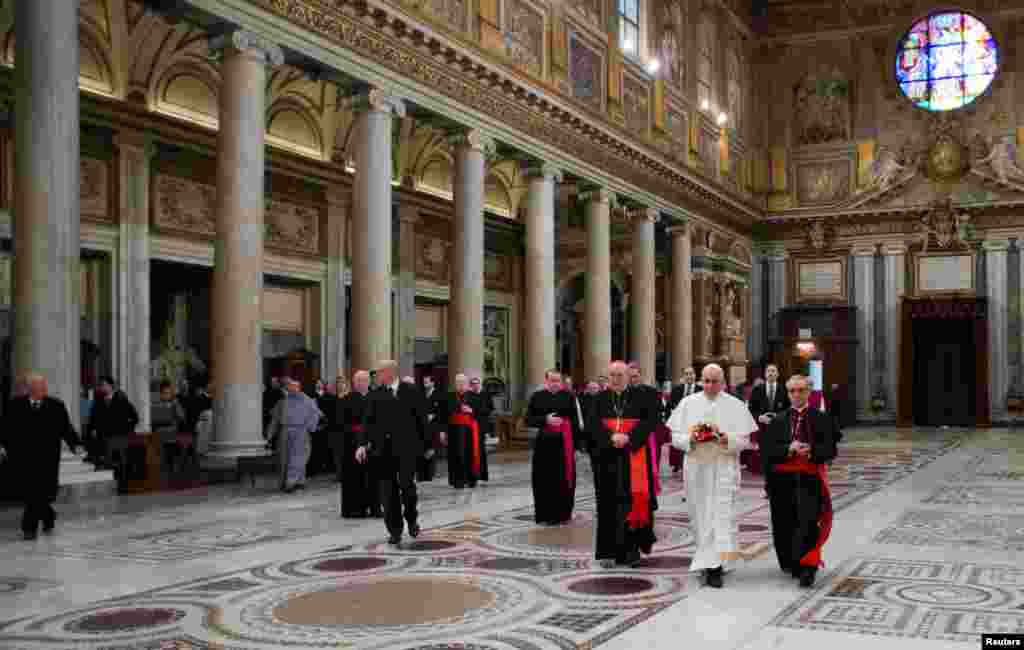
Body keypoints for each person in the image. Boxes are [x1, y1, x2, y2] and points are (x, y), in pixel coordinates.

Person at [668, 363, 757, 589]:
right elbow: (675, 438)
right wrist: (692, 439)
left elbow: (745, 441)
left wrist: (726, 439)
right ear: (700, 380)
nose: (709, 385)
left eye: (714, 381)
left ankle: (715, 566)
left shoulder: (736, 405)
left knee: (721, 516)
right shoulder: (688, 403)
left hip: (723, 468)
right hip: (697, 469)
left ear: (723, 381)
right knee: (700, 516)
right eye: (705, 380)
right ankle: (706, 560)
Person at [761, 375, 838, 587]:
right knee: (784, 521)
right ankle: (791, 562)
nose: (797, 394)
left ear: (808, 392)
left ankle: (808, 566)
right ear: (788, 393)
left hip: (809, 478)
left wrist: (812, 451)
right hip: (781, 480)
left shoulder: (821, 418)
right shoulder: (778, 420)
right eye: (792, 390)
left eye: (801, 390)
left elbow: (831, 449)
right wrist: (788, 449)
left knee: (808, 521)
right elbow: (767, 452)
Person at [585, 361, 660, 568]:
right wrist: (610, 438)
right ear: (607, 377)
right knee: (607, 503)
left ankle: (631, 551)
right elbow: (591, 424)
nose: (616, 379)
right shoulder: (598, 399)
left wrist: (629, 437)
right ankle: (607, 551)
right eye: (612, 375)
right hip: (606, 457)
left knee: (633, 500)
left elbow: (651, 421)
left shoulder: (642, 397)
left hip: (633, 454)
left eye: (620, 375)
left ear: (628, 376)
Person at [0, 374, 84, 540]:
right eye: (38, 387)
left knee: (39, 492)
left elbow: (66, 428)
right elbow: (5, 427)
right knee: (32, 492)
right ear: (29, 389)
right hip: (23, 457)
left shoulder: (56, 406)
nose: (42, 390)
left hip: (47, 457)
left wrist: (76, 445)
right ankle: (48, 515)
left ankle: (28, 528)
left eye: (44, 387)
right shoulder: (15, 405)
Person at [355, 360, 430, 546]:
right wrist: (362, 444)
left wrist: (428, 446)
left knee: (407, 487)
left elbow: (422, 420)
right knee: (387, 493)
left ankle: (411, 519)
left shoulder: (411, 391)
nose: (376, 376)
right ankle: (394, 530)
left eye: (379, 372)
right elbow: (367, 422)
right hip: (383, 451)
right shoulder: (375, 394)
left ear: (390, 372)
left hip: (407, 449)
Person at [526, 370, 583, 525]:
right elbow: (528, 419)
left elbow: (576, 424)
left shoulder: (569, 396)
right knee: (543, 479)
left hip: (565, 443)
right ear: (546, 381)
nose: (555, 383)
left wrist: (577, 448)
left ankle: (563, 514)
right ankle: (545, 514)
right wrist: (545, 420)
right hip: (544, 444)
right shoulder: (537, 396)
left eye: (558, 381)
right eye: (552, 380)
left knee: (564, 479)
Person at [264, 377, 323, 493]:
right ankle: (290, 482)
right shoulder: (282, 402)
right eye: (290, 386)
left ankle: (292, 482)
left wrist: (310, 427)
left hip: (301, 432)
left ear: (299, 387)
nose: (292, 388)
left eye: (295, 386)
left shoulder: (307, 400)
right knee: (284, 459)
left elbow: (316, 414)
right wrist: (269, 435)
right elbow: (275, 420)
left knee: (298, 458)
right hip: (285, 432)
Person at [335, 371, 380, 517]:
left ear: (369, 381)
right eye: (358, 380)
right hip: (352, 444)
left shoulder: (377, 398)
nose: (361, 383)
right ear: (354, 383)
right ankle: (355, 509)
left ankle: (375, 508)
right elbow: (341, 423)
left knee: (375, 477)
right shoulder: (346, 399)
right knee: (354, 479)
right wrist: (357, 437)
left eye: (364, 380)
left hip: (373, 443)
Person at [85, 375, 140, 475]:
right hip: (103, 439)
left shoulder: (121, 399)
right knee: (106, 468)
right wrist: (91, 432)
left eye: (104, 385)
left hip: (119, 438)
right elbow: (92, 420)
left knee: (120, 465)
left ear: (111, 386)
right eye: (100, 385)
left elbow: (135, 417)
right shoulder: (98, 401)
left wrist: (127, 430)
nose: (102, 387)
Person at [748, 364, 790, 495]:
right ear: (765, 374)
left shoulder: (784, 389)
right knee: (766, 460)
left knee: (779, 459)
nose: (771, 373)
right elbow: (751, 409)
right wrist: (760, 417)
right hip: (764, 431)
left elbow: (789, 409)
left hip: (780, 430)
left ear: (777, 374)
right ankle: (768, 488)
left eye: (773, 371)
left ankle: (780, 487)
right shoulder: (757, 389)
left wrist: (778, 417)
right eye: (768, 371)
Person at [442, 374, 484, 489]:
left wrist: (472, 410)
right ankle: (458, 481)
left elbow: (483, 412)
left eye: (463, 382)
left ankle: (471, 479)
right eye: (458, 382)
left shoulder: (474, 396)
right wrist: (442, 431)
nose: (460, 385)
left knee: (470, 454)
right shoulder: (449, 396)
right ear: (455, 384)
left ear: (467, 384)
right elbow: (443, 415)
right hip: (453, 430)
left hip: (469, 430)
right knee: (456, 455)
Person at [668, 367, 701, 474]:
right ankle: (679, 464)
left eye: (691, 373)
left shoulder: (701, 389)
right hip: (680, 421)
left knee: (694, 444)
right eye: (686, 374)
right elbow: (670, 406)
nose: (689, 376)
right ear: (683, 376)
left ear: (695, 375)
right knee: (680, 444)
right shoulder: (676, 389)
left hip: (697, 422)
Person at [152, 380, 187, 474]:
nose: (166, 395)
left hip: (171, 435)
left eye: (168, 393)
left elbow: (182, 417)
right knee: (160, 458)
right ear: (160, 393)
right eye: (164, 393)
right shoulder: (156, 403)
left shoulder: (175, 403)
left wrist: (176, 407)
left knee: (171, 457)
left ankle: (172, 473)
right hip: (159, 435)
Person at [418, 375, 443, 482]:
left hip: (434, 426)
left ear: (432, 383)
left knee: (432, 450)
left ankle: (431, 474)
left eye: (427, 382)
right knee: (423, 450)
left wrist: (434, 415)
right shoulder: (421, 394)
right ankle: (423, 474)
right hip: (423, 426)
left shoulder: (439, 394)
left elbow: (442, 411)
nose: (425, 384)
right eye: (424, 382)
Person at [468, 376, 493, 483]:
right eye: (473, 384)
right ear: (470, 385)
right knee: (471, 451)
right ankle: (473, 475)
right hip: (471, 426)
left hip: (482, 426)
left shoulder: (486, 395)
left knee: (481, 451)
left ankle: (483, 475)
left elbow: (490, 409)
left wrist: (475, 410)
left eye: (476, 383)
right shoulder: (468, 396)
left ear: (480, 384)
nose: (475, 385)